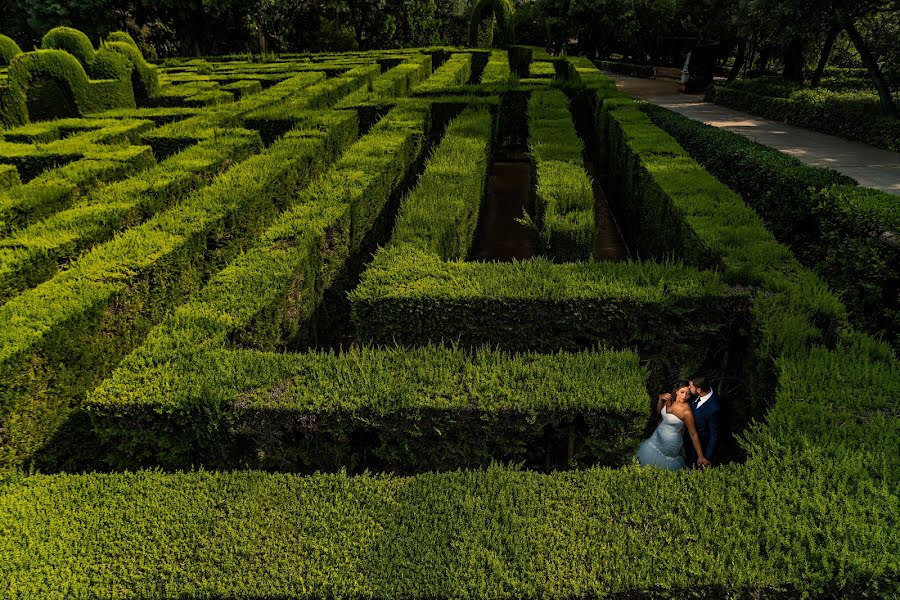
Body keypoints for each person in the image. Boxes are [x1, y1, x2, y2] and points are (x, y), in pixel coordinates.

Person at [636, 381, 711, 470]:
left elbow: (693, 434)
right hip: (655, 439)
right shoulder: (670, 400)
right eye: (682, 392)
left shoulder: (686, 412)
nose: (684, 396)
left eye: (688, 393)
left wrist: (701, 456)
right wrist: (660, 398)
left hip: (670, 446)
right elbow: (659, 412)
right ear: (676, 391)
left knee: (661, 470)